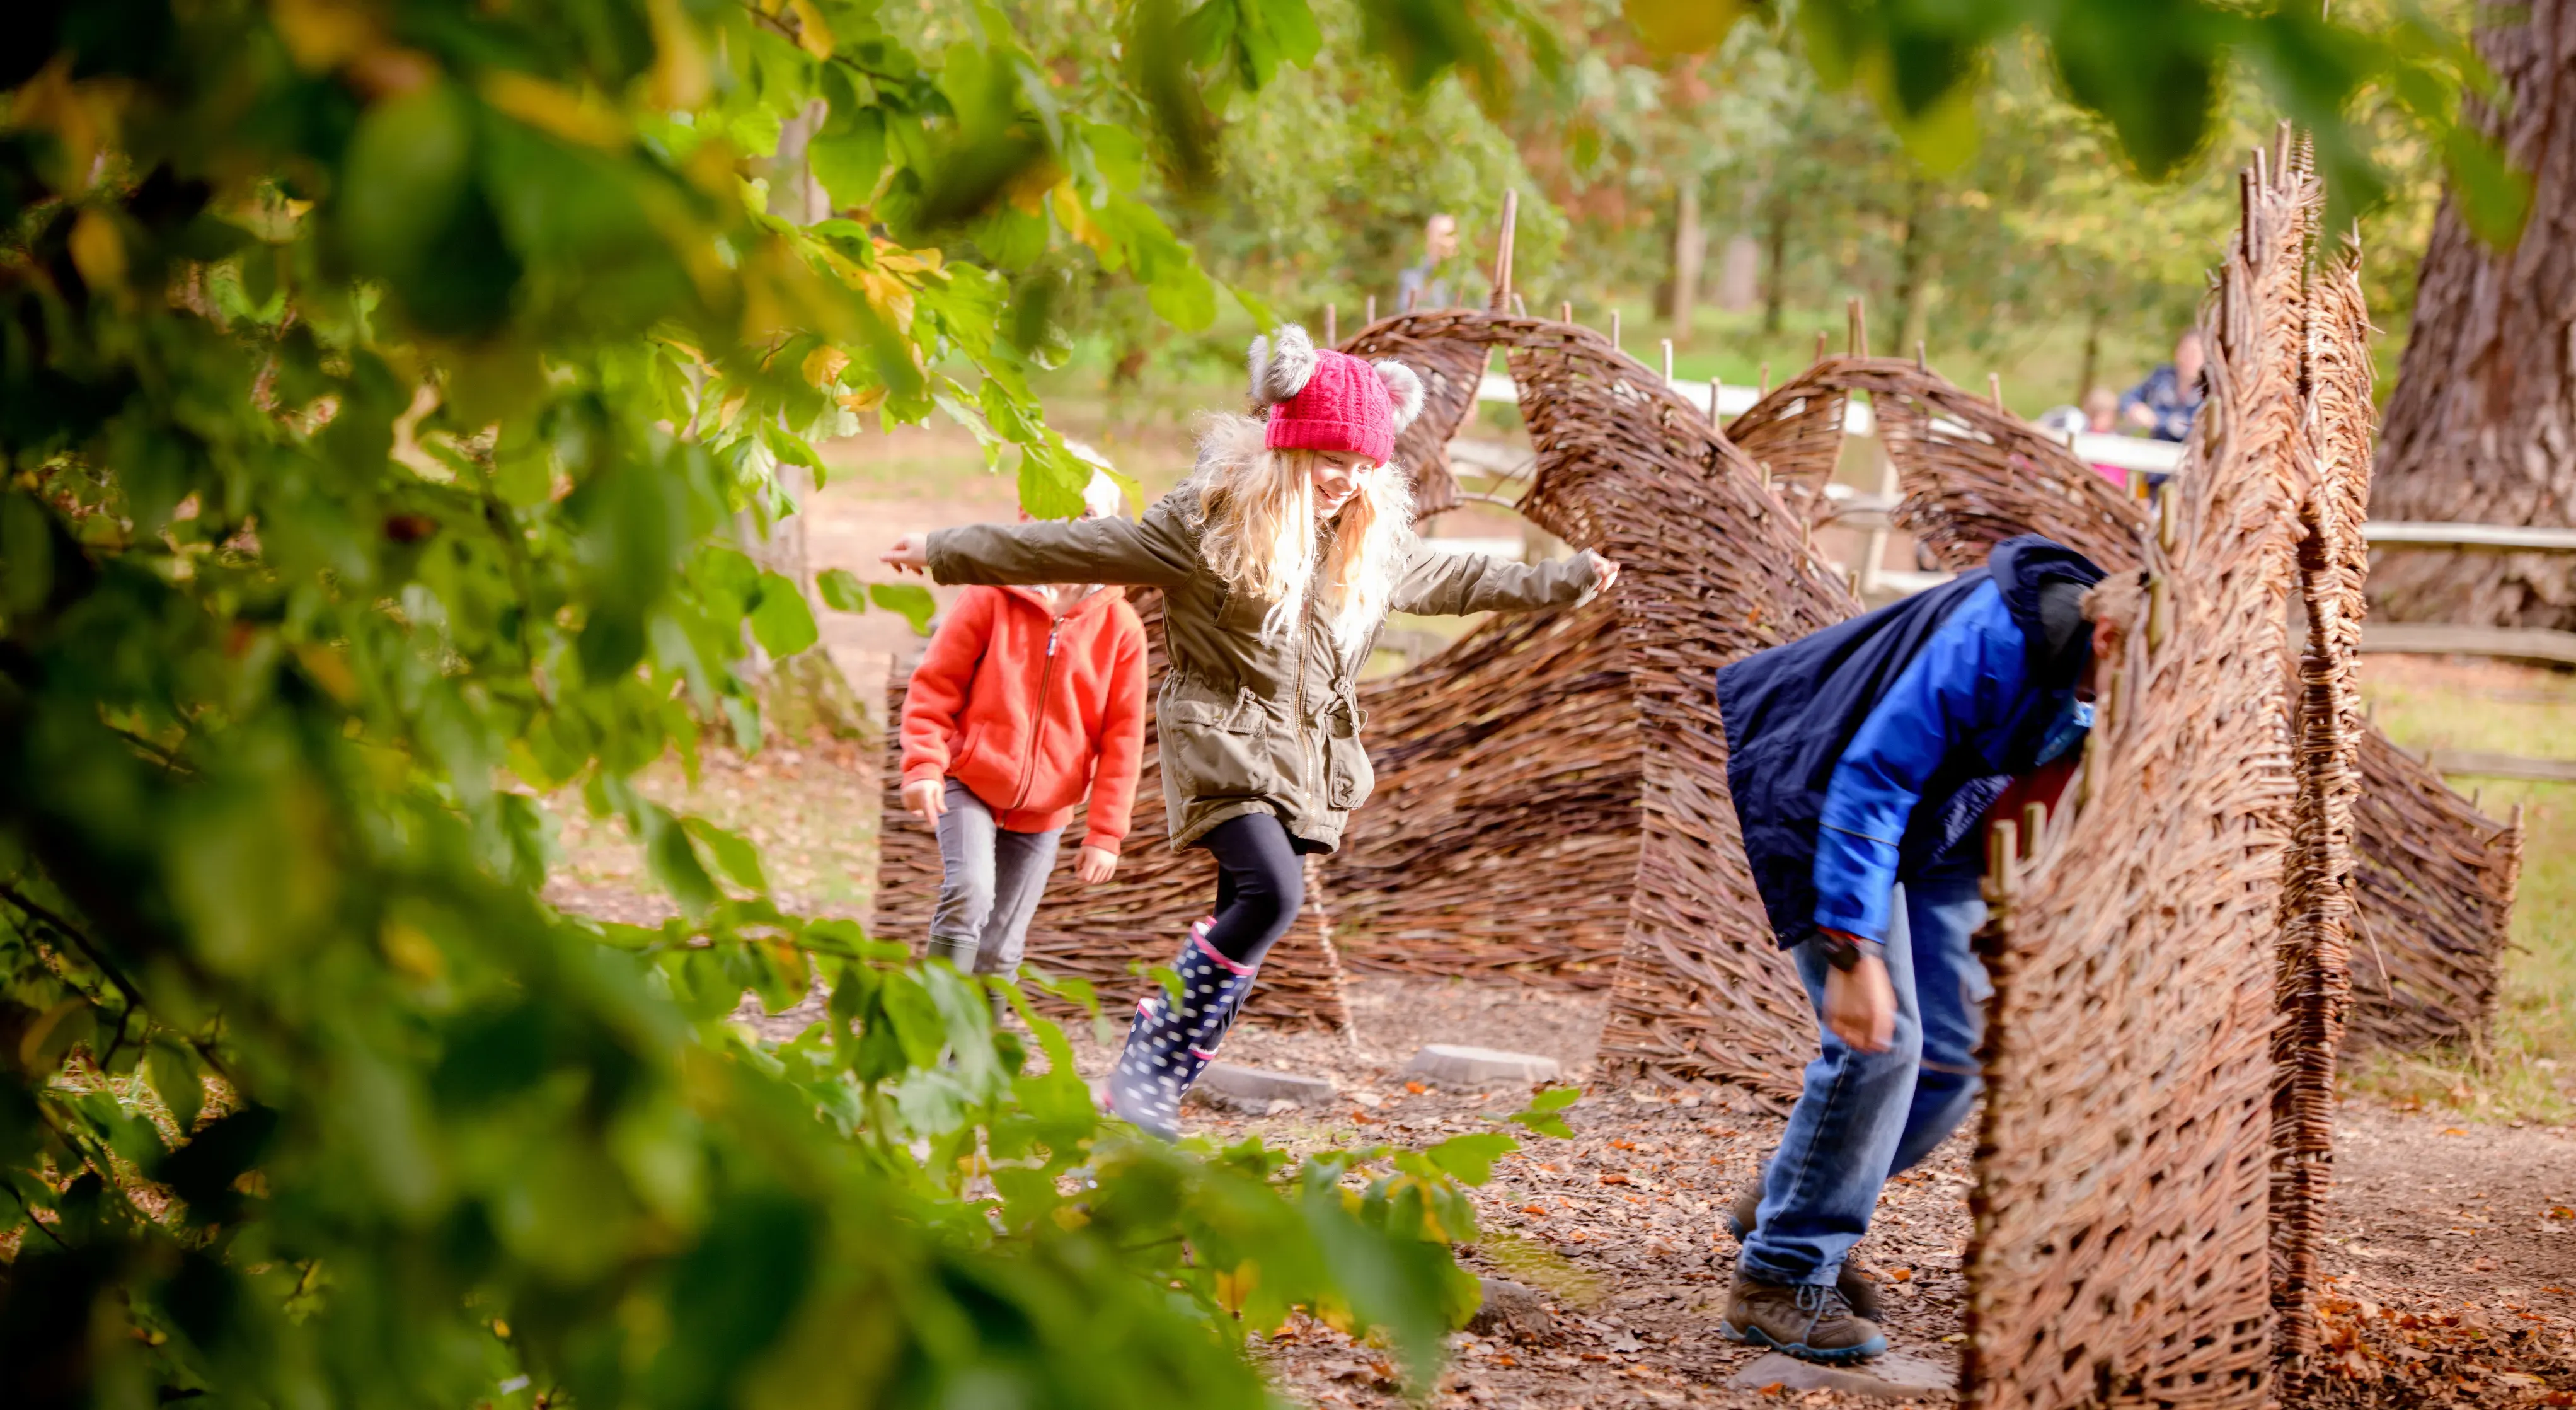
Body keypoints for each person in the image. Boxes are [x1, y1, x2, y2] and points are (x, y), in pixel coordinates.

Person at [885, 326, 1619, 1138]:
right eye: (1330, 459)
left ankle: (1149, 1090)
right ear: (1289, 450)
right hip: (1221, 743)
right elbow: (1072, 542)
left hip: (1306, 760)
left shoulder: (1366, 544)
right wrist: (945, 550)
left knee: (1253, 916)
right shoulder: (1207, 526)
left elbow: (1458, 576)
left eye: (1363, 462)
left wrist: (1564, 580)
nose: (1346, 479)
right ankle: (1147, 1075)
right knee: (1275, 891)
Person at [1711, 536, 2145, 1364]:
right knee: (1879, 1044)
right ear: (2108, 640)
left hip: (1945, 822)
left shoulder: (2111, 660)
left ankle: (1787, 1195)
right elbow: (1871, 783)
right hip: (1822, 788)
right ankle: (1778, 1275)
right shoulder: (1989, 644)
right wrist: (1854, 950)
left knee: (1955, 1058)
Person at [899, 468, 1146, 991]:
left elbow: (1123, 740)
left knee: (1002, 945)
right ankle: (926, 1041)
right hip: (970, 781)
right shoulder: (990, 596)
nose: (1068, 531)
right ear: (1027, 522)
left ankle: (972, 1071)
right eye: (1053, 515)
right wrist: (924, 764)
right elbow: (934, 686)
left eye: (1085, 518)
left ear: (1109, 531)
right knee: (969, 890)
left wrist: (1105, 833)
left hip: (1046, 811)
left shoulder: (1121, 629)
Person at [2119, 330, 2205, 442]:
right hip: (2155, 450)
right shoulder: (2161, 376)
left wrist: (2156, 420)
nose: (2189, 358)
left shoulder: (2210, 389)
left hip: (2191, 455)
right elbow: (2127, 397)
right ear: (2177, 352)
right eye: (2185, 351)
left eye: (2195, 354)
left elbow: (2193, 428)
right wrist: (2134, 407)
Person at [1396, 213, 1461, 312]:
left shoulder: (1466, 279)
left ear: (1456, 240)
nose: (1441, 242)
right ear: (1427, 238)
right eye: (1436, 235)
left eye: (1446, 235)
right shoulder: (1411, 278)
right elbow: (1403, 313)